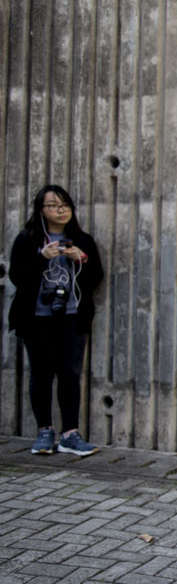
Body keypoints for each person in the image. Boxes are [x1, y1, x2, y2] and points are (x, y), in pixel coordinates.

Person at [8, 185, 104, 456]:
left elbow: (96, 276)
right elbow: (17, 277)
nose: (61, 210)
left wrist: (80, 258)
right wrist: (42, 258)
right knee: (40, 374)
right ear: (41, 210)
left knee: (70, 375)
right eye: (53, 205)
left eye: (65, 205)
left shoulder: (81, 240)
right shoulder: (26, 240)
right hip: (36, 319)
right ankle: (44, 432)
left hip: (73, 318)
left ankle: (70, 435)